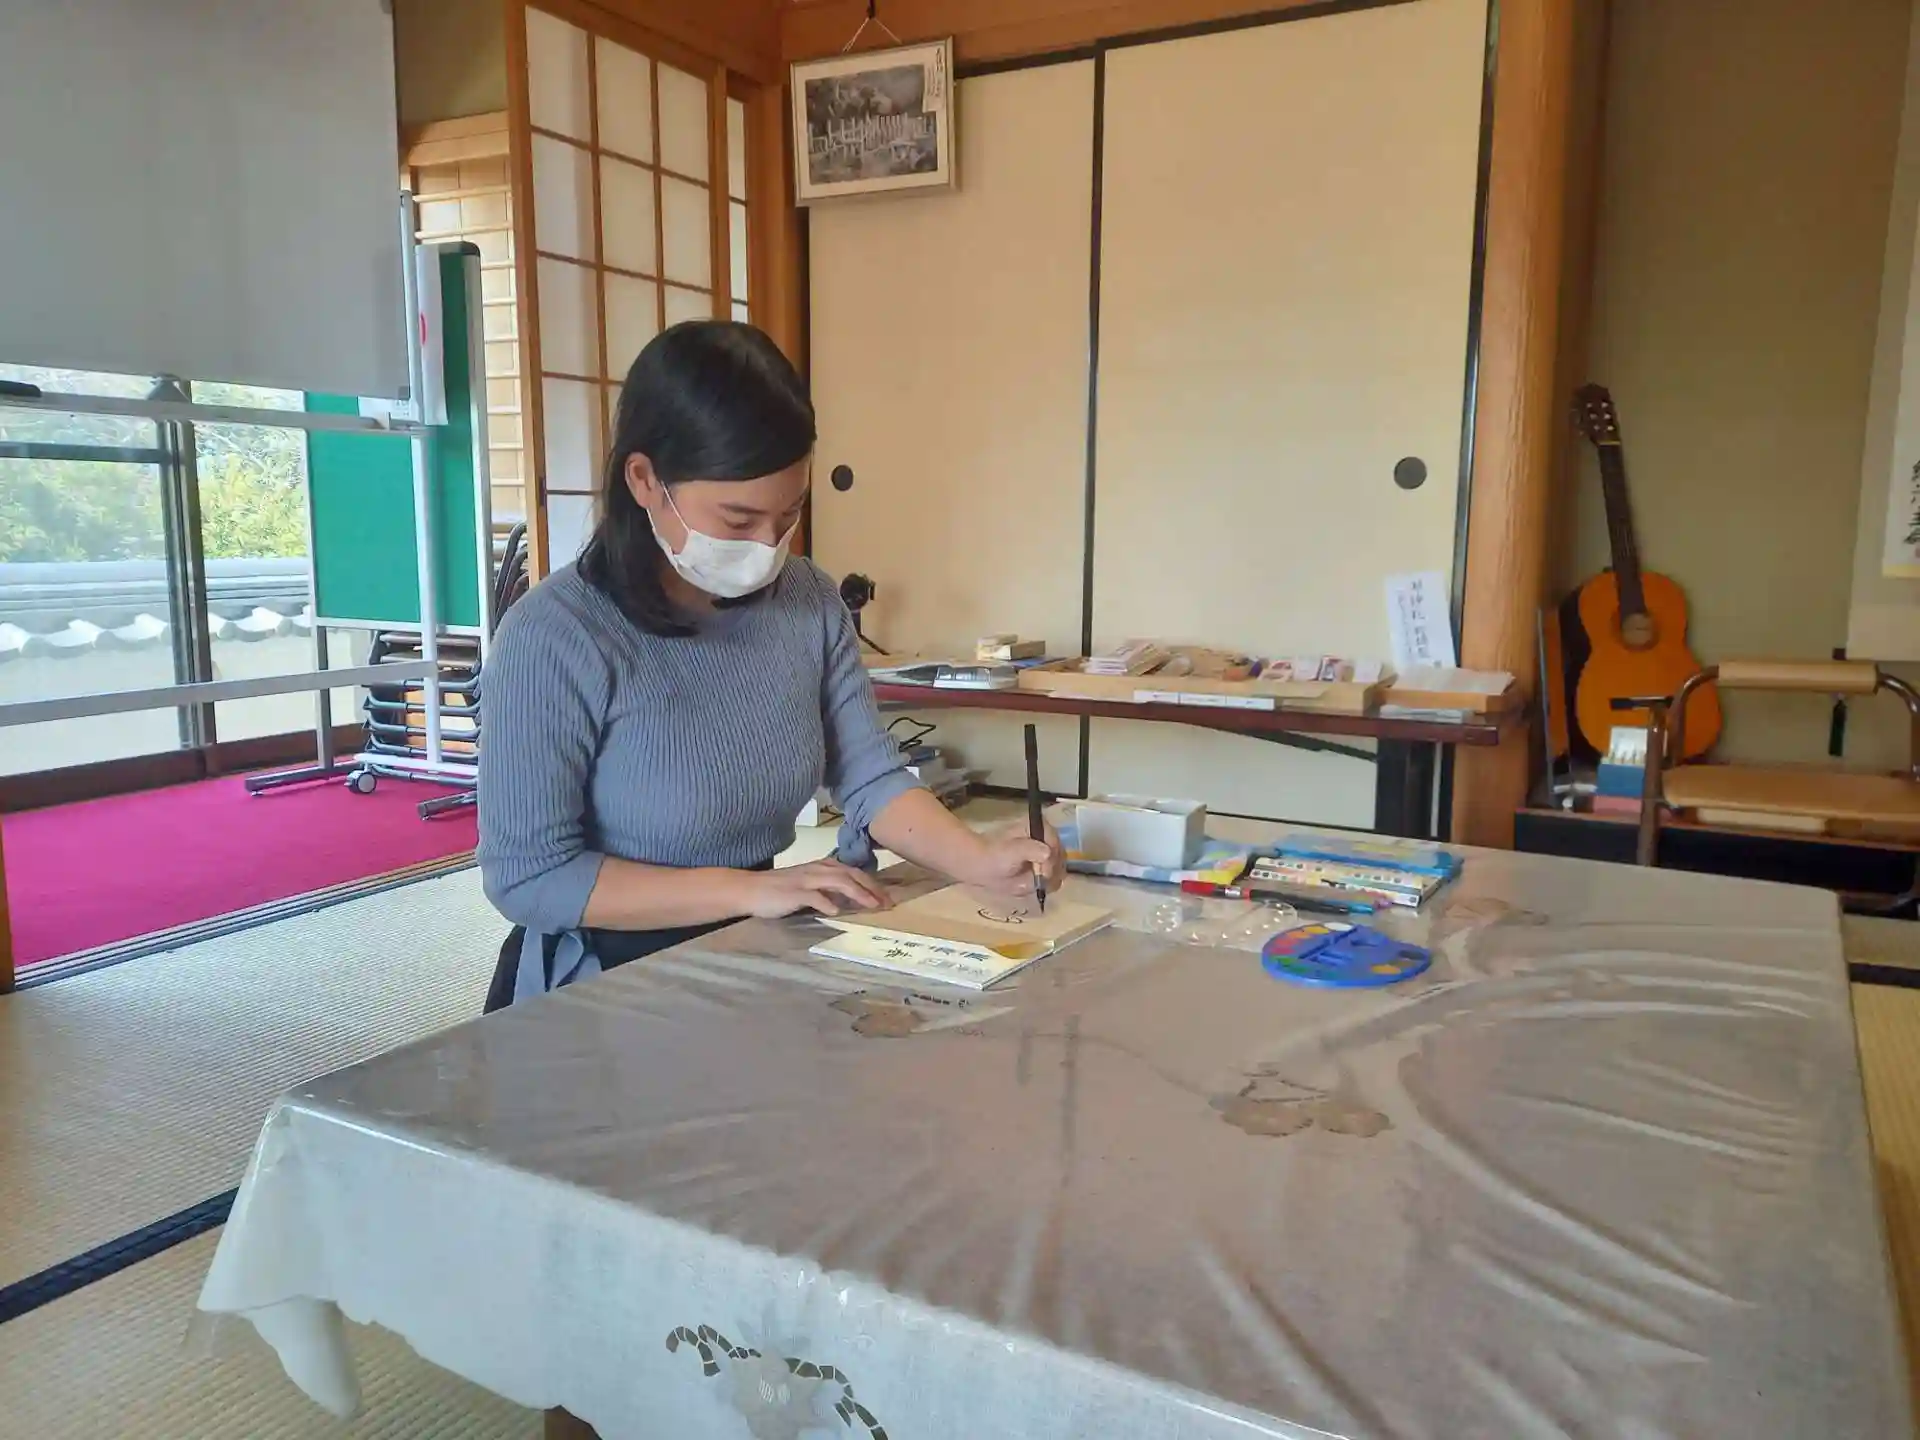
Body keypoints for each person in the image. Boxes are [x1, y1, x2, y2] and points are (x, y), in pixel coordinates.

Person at [476, 320, 1065, 1010]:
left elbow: (869, 776)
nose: (767, 545)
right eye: (737, 520)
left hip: (755, 935)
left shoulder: (807, 599)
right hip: (605, 972)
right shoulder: (556, 635)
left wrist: (980, 859)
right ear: (645, 480)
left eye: (788, 516)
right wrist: (747, 889)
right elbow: (529, 878)